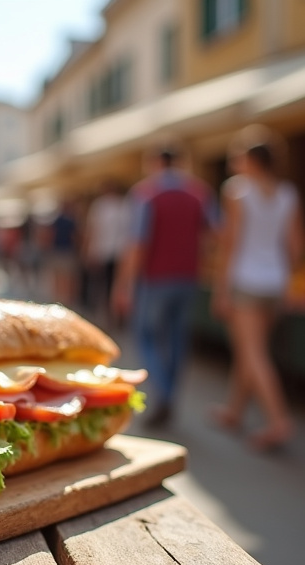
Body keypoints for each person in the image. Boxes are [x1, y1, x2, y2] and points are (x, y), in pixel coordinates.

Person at [210, 132, 304, 452]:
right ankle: (235, 411)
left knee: (252, 353)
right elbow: (295, 244)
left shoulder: (236, 191)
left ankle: (279, 421)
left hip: (246, 281)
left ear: (251, 160)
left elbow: (229, 244)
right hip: (275, 280)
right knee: (251, 350)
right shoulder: (287, 193)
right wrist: (290, 281)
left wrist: (221, 289)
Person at [112, 145, 216, 427]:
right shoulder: (199, 193)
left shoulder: (146, 194)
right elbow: (214, 234)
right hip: (188, 278)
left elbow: (137, 244)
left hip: (155, 279)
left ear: (156, 162)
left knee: (146, 335)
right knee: (177, 339)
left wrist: (124, 285)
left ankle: (164, 392)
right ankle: (170, 393)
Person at [82, 180, 130, 323]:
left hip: (104, 251)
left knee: (104, 285)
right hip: (120, 252)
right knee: (115, 284)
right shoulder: (124, 205)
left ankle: (109, 315)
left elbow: (93, 230)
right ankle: (114, 315)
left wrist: (88, 251)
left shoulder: (100, 206)